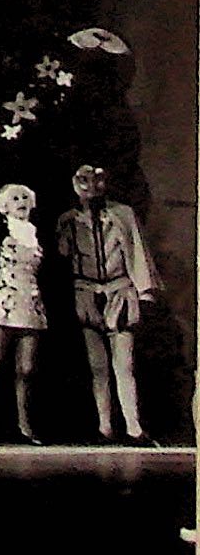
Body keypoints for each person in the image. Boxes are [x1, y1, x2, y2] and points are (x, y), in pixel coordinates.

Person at [53, 163, 160, 445]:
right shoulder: (68, 220)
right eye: (84, 180)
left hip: (119, 291)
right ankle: (104, 426)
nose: (91, 186)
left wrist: (145, 293)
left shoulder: (122, 214)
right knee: (97, 366)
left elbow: (137, 251)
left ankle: (133, 427)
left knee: (124, 364)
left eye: (97, 179)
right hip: (86, 292)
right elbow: (63, 255)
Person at [0, 183, 47, 445]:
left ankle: (25, 427)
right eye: (15, 198)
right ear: (5, 205)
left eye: (25, 198)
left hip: (30, 303)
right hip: (2, 304)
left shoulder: (36, 233)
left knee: (26, 369)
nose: (21, 202)